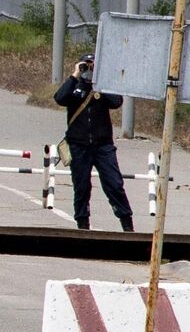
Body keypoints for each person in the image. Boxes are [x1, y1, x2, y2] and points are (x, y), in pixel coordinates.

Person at [54, 55, 135, 232]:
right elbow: (60, 98)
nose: (89, 70)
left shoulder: (103, 87)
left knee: (114, 184)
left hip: (103, 145)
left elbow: (116, 102)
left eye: (93, 67)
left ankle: (127, 223)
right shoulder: (75, 86)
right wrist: (76, 75)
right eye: (86, 66)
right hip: (78, 145)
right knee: (82, 187)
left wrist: (101, 80)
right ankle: (83, 224)